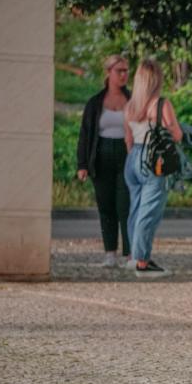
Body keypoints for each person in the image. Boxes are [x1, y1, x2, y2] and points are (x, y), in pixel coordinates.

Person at [123, 59, 183, 278]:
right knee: (148, 213)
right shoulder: (161, 104)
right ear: (157, 79)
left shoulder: (130, 106)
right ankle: (142, 263)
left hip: (133, 159)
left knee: (135, 210)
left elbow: (128, 139)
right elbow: (177, 135)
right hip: (153, 161)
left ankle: (134, 257)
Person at [76, 55, 131, 268]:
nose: (123, 75)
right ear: (108, 73)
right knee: (106, 206)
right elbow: (85, 134)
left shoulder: (133, 99)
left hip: (127, 155)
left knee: (125, 205)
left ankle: (130, 254)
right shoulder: (95, 102)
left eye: (126, 70)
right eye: (119, 71)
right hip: (101, 155)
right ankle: (110, 253)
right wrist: (82, 165)